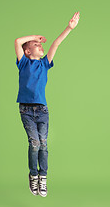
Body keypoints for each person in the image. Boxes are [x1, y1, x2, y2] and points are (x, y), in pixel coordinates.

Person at [14, 11, 80, 197]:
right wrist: (34, 36)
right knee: (34, 143)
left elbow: (56, 43)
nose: (40, 45)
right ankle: (33, 175)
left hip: (42, 110)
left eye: (40, 44)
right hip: (26, 109)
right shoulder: (23, 63)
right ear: (27, 51)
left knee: (43, 143)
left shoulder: (45, 64)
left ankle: (43, 177)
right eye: (36, 45)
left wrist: (69, 27)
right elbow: (18, 41)